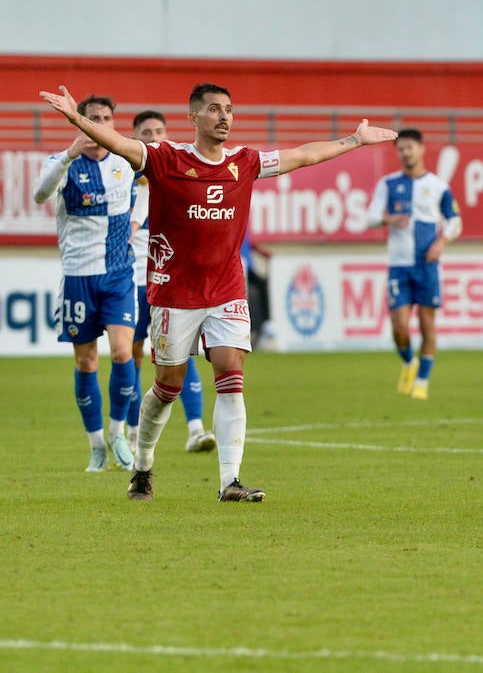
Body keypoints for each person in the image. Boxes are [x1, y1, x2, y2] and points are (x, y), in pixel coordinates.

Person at [38, 82, 397, 502]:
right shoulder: (165, 158)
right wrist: (76, 119)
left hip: (227, 288)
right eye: (213, 109)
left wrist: (354, 140)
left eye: (229, 109)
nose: (224, 116)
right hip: (174, 293)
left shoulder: (244, 162)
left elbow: (302, 156)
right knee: (167, 385)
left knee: (231, 373)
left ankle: (230, 481)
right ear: (193, 118)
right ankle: (143, 465)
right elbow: (117, 141)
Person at [32, 94, 139, 473]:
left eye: (106, 118)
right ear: (79, 123)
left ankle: (117, 433)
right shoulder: (62, 163)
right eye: (91, 118)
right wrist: (67, 156)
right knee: (86, 360)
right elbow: (39, 193)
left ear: (113, 123)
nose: (99, 124)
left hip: (117, 275)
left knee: (124, 352)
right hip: (78, 278)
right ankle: (96, 446)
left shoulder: (126, 164)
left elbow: (148, 193)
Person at [127, 110, 215, 454]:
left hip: (171, 281)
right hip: (133, 280)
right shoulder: (123, 179)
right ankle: (134, 431)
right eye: (145, 132)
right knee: (131, 355)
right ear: (133, 137)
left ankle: (196, 429)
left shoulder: (179, 177)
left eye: (159, 130)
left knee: (182, 354)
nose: (153, 136)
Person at [368, 129, 462, 401]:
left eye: (410, 147)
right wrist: (389, 219)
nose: (406, 153)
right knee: (398, 327)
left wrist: (441, 242)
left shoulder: (438, 186)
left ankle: (422, 381)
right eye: (401, 149)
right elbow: (371, 216)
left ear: (421, 149)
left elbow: (455, 220)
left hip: (427, 264)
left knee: (426, 324)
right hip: (399, 265)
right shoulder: (388, 184)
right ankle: (410, 362)